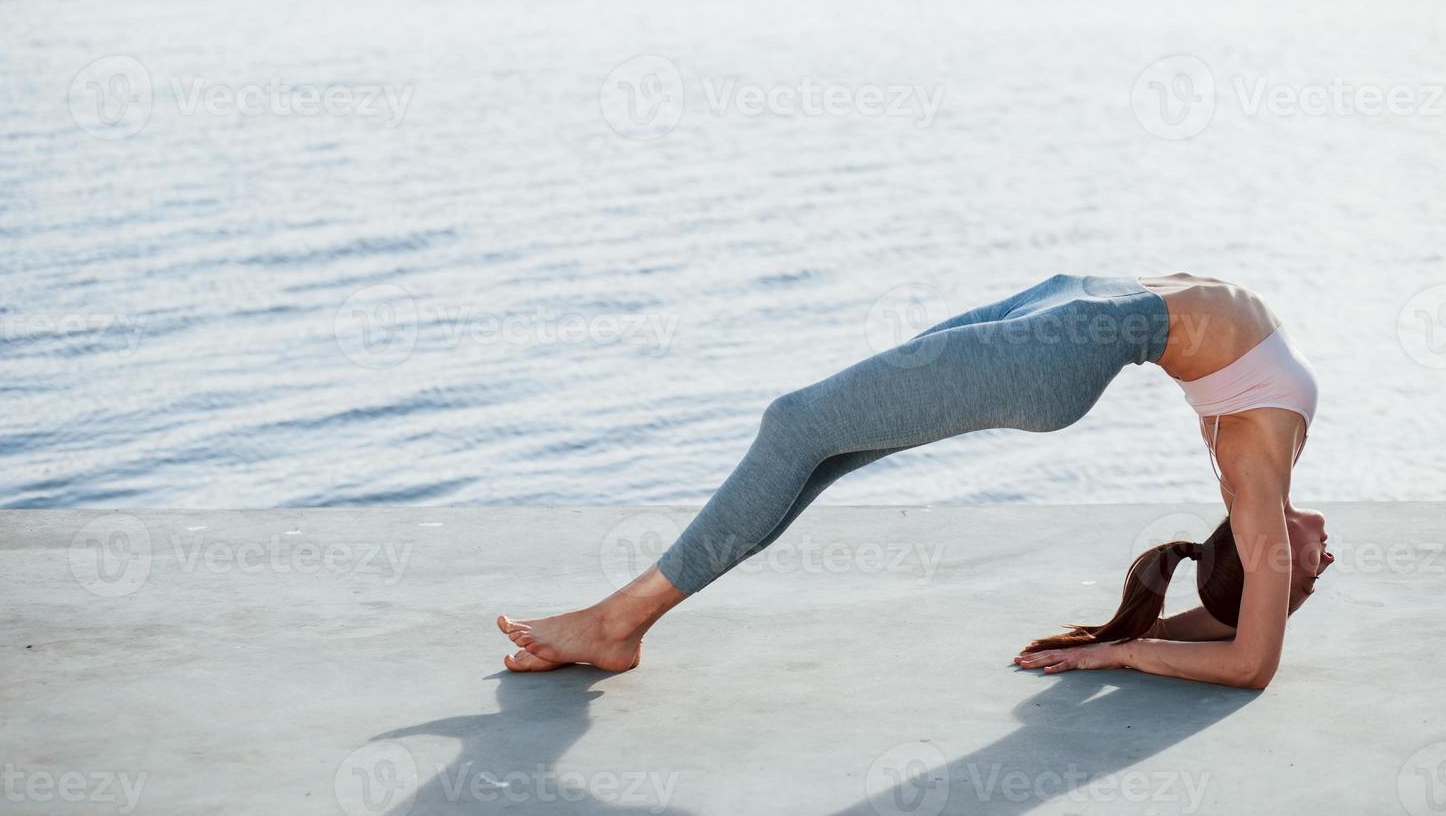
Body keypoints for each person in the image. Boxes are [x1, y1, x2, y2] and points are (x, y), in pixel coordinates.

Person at [497, 273, 1333, 689]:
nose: (1322, 557)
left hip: (1059, 349)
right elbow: (1240, 619)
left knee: (794, 422)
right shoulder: (1275, 448)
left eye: (1300, 573)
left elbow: (1252, 661)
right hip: (1063, 304)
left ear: (1261, 559)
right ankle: (623, 621)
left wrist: (1121, 650)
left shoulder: (1252, 477)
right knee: (819, 447)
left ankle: (618, 622)